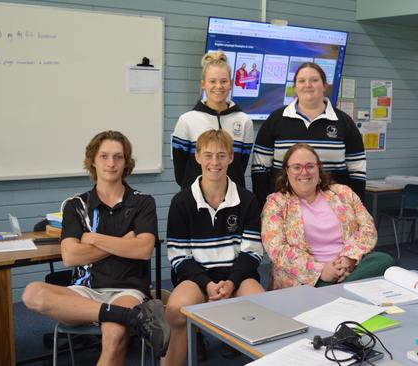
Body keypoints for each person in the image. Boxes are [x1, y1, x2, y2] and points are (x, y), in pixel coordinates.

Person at [21, 130, 169, 363]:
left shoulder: (142, 202)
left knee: (114, 334)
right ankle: (131, 317)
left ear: (126, 162)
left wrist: (95, 239)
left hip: (126, 290)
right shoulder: (76, 205)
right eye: (104, 156)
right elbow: (70, 256)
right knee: (32, 293)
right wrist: (125, 241)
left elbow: (143, 250)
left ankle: (125, 314)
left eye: (118, 157)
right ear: (93, 160)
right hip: (84, 290)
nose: (111, 163)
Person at [163, 129, 265, 366]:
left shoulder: (247, 199)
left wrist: (231, 282)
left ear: (231, 158)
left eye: (221, 155)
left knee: (262, 307)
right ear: (197, 157)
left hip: (237, 276)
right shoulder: (182, 201)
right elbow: (179, 256)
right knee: (176, 309)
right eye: (207, 155)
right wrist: (207, 284)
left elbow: (252, 252)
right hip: (198, 278)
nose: (214, 162)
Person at [261, 143, 394, 289]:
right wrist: (321, 271)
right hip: (306, 279)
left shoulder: (342, 193)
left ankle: (337, 289)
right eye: (297, 167)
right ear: (287, 171)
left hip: (349, 267)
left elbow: (367, 227)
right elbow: (277, 250)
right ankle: (342, 289)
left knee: (383, 259)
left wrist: (348, 258)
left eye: (310, 166)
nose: (304, 172)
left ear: (318, 168)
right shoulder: (276, 203)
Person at [252, 62, 366, 208]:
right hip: (284, 210)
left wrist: (355, 208)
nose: (308, 85)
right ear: (295, 87)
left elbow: (357, 171)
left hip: (335, 210)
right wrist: (264, 206)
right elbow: (260, 169)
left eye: (314, 80)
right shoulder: (275, 120)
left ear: (324, 85)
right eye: (301, 81)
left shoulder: (344, 122)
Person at [172, 51, 254, 190]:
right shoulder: (187, 121)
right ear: (203, 84)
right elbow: (180, 173)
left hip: (234, 199)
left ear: (231, 84)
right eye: (212, 81)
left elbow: (240, 166)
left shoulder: (244, 121)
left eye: (223, 81)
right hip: (195, 200)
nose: (218, 86)